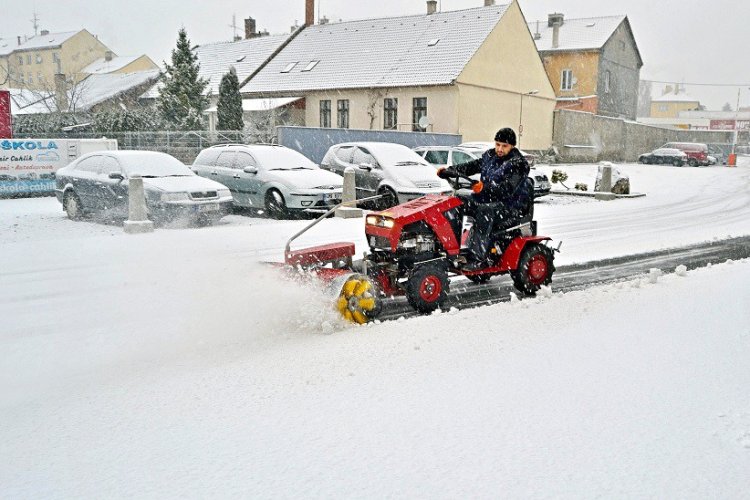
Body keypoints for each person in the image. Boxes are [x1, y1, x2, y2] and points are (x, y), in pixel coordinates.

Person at [437, 127, 532, 270]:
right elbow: (471, 166)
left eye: (504, 146)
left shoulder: (518, 164)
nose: (499, 149)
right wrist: (450, 171)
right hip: (487, 199)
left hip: (510, 206)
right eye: (497, 144)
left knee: (484, 212)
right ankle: (453, 250)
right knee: (458, 202)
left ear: (512, 146)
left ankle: (479, 258)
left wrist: (485, 188)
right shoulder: (490, 156)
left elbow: (507, 189)